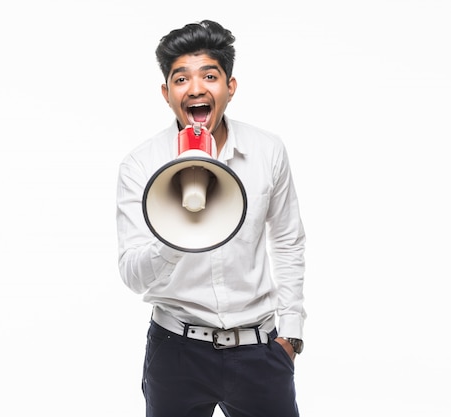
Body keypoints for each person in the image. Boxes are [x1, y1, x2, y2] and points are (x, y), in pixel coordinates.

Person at [116, 19, 306, 417]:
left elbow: (287, 239)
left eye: (210, 75)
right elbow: (133, 276)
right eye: (181, 78)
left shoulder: (267, 150)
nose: (196, 88)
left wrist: (291, 334)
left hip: (261, 349)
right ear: (167, 93)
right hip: (176, 350)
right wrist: (174, 233)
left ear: (229, 87)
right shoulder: (140, 164)